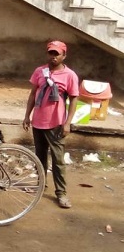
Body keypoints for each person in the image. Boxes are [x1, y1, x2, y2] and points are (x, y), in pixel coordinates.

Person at [22, 40, 79, 209]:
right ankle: (41, 185)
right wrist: (27, 116)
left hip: (56, 123)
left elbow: (74, 98)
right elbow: (33, 94)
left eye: (57, 54)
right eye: (51, 53)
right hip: (38, 121)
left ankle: (61, 193)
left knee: (58, 159)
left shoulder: (70, 75)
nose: (53, 57)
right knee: (39, 156)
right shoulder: (40, 71)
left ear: (64, 56)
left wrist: (68, 123)